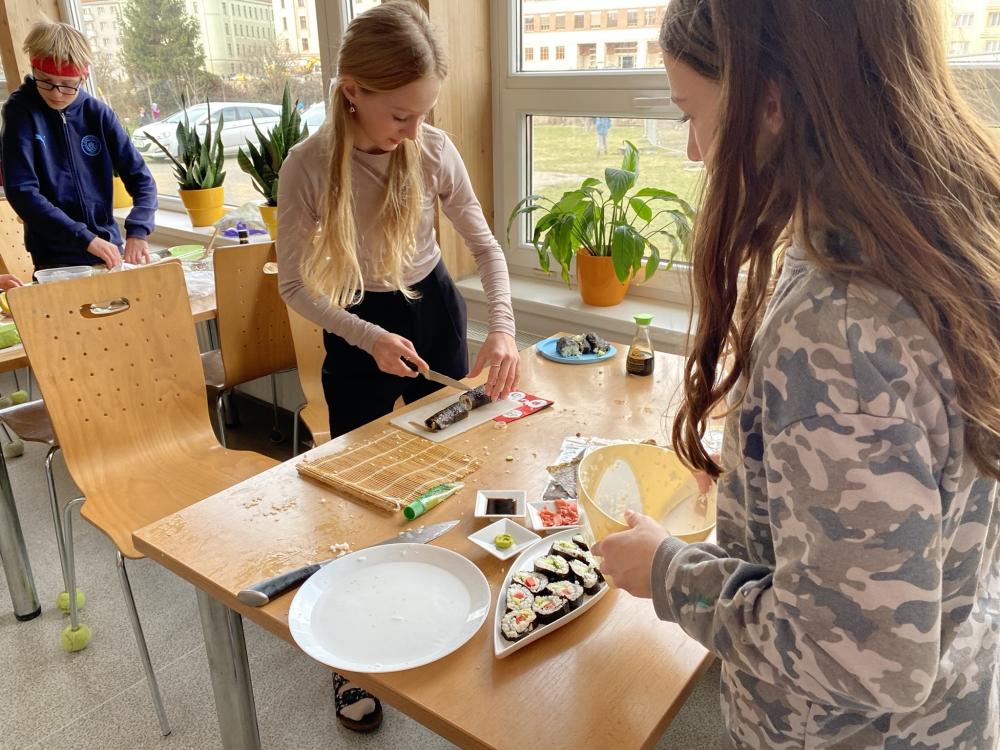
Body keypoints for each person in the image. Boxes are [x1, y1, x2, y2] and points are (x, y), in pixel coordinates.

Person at [593, 2, 1000, 749]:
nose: (694, 150)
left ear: (769, 101)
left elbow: (865, 660)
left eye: (692, 114)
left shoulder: (838, 326)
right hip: (953, 703)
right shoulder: (934, 237)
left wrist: (668, 573)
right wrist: (764, 477)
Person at [276, 0, 519, 732]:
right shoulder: (307, 166)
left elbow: (487, 249)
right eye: (401, 115)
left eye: (424, 113)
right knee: (359, 490)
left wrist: (505, 331)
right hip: (357, 323)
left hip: (433, 308)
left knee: (448, 463)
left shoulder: (434, 149)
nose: (414, 131)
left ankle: (450, 606)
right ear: (353, 91)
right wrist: (366, 336)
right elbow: (295, 286)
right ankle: (350, 657)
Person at [0, 20, 156, 270]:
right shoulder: (20, 112)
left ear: (83, 77)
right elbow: (22, 191)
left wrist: (139, 229)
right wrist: (84, 238)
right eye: (46, 80)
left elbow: (141, 178)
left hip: (107, 248)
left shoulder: (98, 114)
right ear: (34, 68)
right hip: (55, 257)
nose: (56, 93)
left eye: (68, 84)